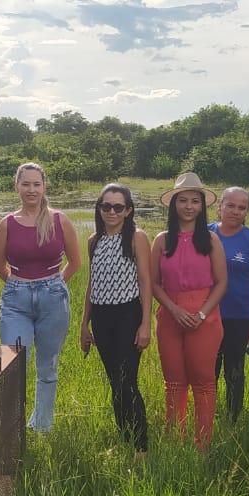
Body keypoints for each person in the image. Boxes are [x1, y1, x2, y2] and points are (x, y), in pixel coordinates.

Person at [0, 162, 82, 433]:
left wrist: (52, 286)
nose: (31, 189)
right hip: (15, 301)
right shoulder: (6, 224)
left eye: (36, 184)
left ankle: (41, 426)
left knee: (47, 367)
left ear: (44, 187)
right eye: (26, 184)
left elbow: (75, 262)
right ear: (16, 186)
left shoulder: (59, 220)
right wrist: (20, 287)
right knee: (13, 365)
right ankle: (12, 426)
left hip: (53, 300)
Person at [150, 173, 227, 450]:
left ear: (201, 206)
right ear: (174, 205)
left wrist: (202, 314)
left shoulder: (210, 239)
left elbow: (222, 283)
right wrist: (172, 309)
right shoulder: (161, 240)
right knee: (173, 382)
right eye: (183, 200)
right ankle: (174, 442)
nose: (189, 206)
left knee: (204, 381)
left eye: (195, 201)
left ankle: (202, 444)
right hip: (170, 316)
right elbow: (153, 283)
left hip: (205, 317)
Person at [79, 183, 152, 456]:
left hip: (127, 315)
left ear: (128, 210)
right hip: (101, 315)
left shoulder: (136, 237)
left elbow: (146, 281)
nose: (111, 211)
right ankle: (124, 440)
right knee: (114, 382)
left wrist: (146, 323)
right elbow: (91, 283)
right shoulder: (93, 241)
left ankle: (141, 447)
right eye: (106, 206)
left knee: (127, 381)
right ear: (99, 208)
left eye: (118, 207)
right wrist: (84, 325)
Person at [208, 187, 249, 422]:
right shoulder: (206, 234)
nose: (235, 211)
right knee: (208, 369)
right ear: (219, 207)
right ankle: (208, 417)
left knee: (234, 371)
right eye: (230, 205)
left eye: (241, 207)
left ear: (247, 212)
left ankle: (233, 418)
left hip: (240, 317)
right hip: (209, 315)